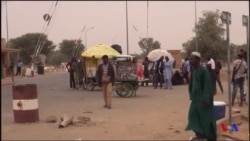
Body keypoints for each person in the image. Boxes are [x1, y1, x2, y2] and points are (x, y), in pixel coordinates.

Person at [185, 51, 217, 141]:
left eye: (192, 59)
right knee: (193, 116)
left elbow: (207, 86)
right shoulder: (193, 69)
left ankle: (210, 137)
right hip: (196, 99)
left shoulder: (204, 70)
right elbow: (191, 83)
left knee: (206, 119)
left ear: (198, 60)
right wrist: (191, 94)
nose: (190, 61)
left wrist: (206, 100)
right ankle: (199, 134)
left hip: (204, 100)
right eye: (190, 59)